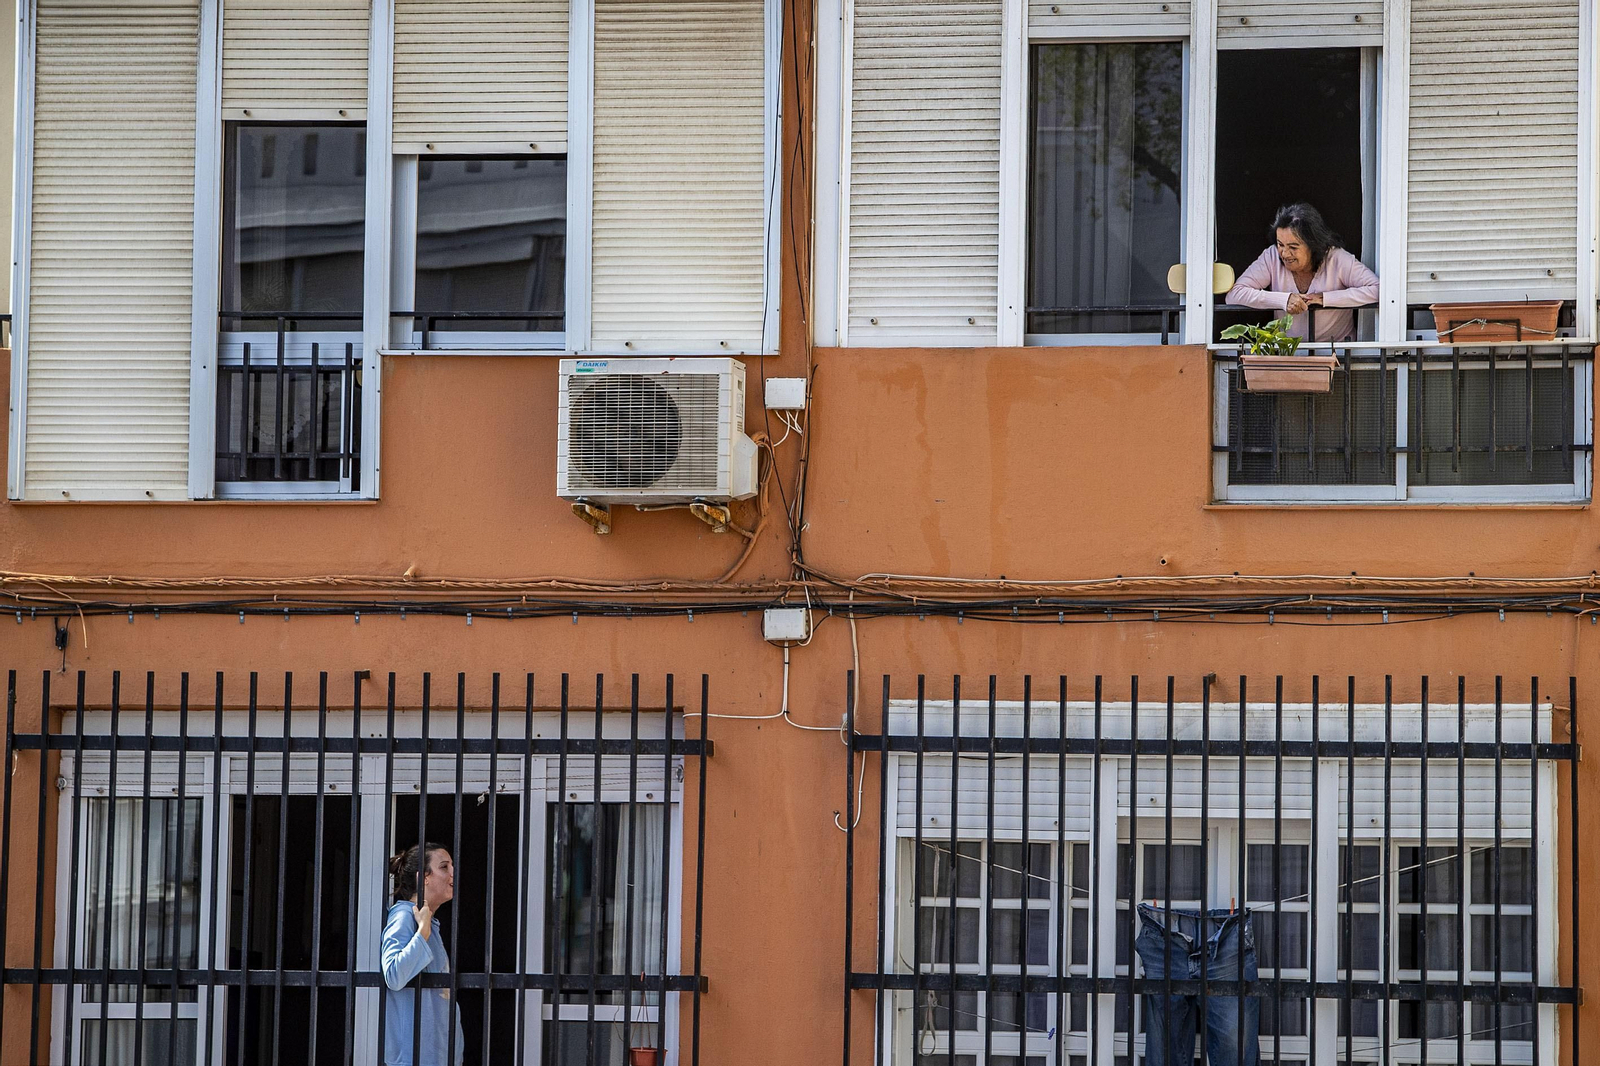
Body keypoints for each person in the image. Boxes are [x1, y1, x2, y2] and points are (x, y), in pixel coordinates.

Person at [1227, 202, 1378, 342]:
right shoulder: (1271, 256)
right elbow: (1235, 295)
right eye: (1280, 244)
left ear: (1313, 246)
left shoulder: (1336, 258)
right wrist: (1283, 300)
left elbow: (1377, 290)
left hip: (1338, 356)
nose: (1285, 253)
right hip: (1289, 356)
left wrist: (1325, 299)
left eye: (1293, 247)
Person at [382, 843, 466, 1066]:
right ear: (424, 878)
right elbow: (394, 975)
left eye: (452, 867)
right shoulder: (403, 917)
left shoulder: (428, 923)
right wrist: (422, 933)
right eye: (444, 867)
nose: (452, 874)